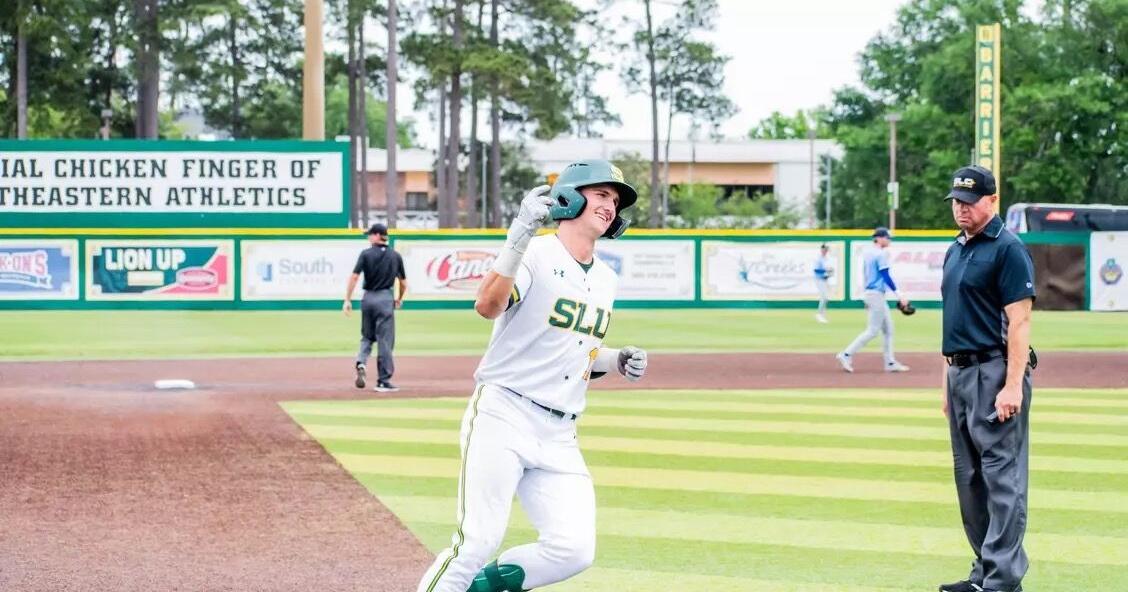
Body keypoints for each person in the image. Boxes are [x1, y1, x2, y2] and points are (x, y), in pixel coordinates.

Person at [416, 159, 649, 592]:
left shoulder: (606, 279)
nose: (610, 206)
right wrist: (518, 235)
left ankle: (479, 588)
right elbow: (488, 306)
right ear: (571, 197)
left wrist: (614, 359)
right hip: (505, 413)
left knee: (574, 548)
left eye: (615, 201)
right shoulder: (536, 253)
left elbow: (576, 353)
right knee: (476, 542)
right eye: (601, 194)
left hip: (560, 432)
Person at [938, 165, 1035, 592]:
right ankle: (984, 573)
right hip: (959, 373)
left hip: (994, 371)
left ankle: (1002, 582)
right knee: (970, 479)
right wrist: (945, 384)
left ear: (992, 200)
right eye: (957, 201)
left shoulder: (1008, 248)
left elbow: (1020, 321)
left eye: (970, 200)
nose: (961, 209)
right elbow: (953, 320)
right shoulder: (955, 249)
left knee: (1001, 477)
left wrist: (1012, 385)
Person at [836, 227, 910, 373]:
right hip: (876, 294)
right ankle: (846, 354)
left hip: (872, 293)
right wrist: (899, 294)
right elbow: (885, 275)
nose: (889, 240)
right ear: (879, 238)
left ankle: (889, 362)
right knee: (873, 330)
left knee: (888, 329)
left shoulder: (868, 253)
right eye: (887, 238)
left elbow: (869, 275)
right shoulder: (880, 254)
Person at [343, 223, 407, 392]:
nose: (368, 237)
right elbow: (403, 282)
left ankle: (361, 362)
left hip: (368, 298)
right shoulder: (395, 256)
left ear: (378, 235)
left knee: (366, 337)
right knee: (385, 341)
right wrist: (399, 299)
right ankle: (383, 381)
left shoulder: (365, 254)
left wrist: (347, 299)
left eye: (370, 234)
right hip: (385, 298)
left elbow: (354, 277)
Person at [813, 243, 833, 323]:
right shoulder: (818, 258)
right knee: (824, 297)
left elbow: (827, 269)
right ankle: (819, 314)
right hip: (819, 280)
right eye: (824, 249)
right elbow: (816, 270)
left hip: (825, 279)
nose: (825, 251)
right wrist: (826, 271)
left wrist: (829, 273)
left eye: (826, 249)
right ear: (821, 249)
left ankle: (822, 315)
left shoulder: (826, 258)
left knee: (826, 298)